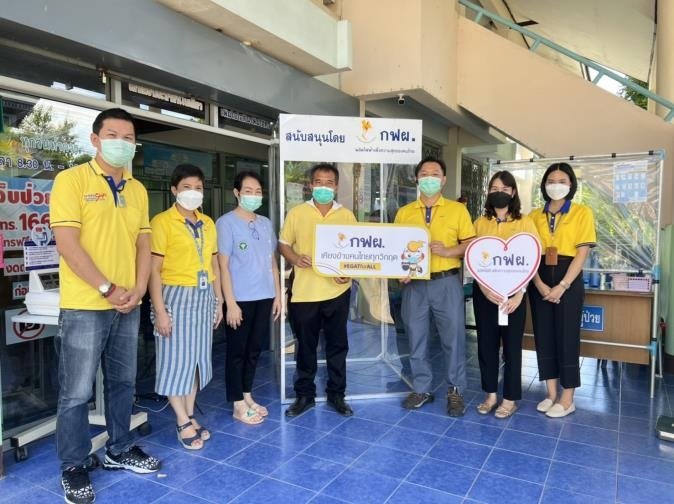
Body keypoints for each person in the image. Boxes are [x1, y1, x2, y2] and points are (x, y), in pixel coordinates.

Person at [50, 108, 160, 504]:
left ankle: (119, 447)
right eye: (113, 135)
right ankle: (74, 464)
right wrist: (107, 288)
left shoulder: (137, 189)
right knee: (76, 392)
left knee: (123, 382)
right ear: (95, 139)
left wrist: (138, 289)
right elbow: (67, 244)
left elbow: (143, 244)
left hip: (127, 303)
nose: (121, 143)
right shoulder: (71, 180)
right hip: (85, 304)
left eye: (129, 138)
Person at [148, 164, 223, 450]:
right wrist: (160, 311)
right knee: (174, 361)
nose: (193, 193)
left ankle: (190, 414)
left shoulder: (208, 223)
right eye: (187, 187)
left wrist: (219, 301)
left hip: (203, 298)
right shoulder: (162, 222)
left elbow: (214, 264)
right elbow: (154, 270)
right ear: (174, 190)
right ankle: (181, 421)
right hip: (174, 298)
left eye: (198, 188)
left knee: (195, 362)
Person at [394, 156, 476, 417]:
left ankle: (455, 390)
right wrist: (400, 272)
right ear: (416, 179)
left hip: (446, 282)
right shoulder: (405, 212)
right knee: (416, 338)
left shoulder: (458, 210)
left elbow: (470, 244)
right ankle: (422, 389)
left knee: (453, 339)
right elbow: (396, 249)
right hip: (415, 286)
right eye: (424, 174)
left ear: (444, 180)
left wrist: (448, 250)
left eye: (435, 174)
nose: (429, 178)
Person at [279, 163, 357, 417]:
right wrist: (294, 258)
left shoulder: (346, 216)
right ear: (310, 185)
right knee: (305, 346)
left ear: (336, 186)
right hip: (304, 292)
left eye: (329, 182)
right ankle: (305, 395)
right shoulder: (297, 213)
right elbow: (283, 244)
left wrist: (348, 271)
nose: (324, 187)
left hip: (337, 292)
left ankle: (337, 394)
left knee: (337, 346)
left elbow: (356, 252)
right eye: (319, 182)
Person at [529, 162, 596, 418]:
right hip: (539, 276)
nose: (556, 185)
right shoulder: (533, 215)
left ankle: (567, 398)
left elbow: (582, 253)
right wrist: (539, 283)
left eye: (562, 181)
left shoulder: (582, 212)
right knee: (543, 335)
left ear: (571, 185)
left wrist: (563, 285)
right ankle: (551, 393)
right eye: (551, 181)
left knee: (567, 338)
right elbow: (528, 253)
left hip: (569, 277)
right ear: (544, 185)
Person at [472, 171, 539, 419]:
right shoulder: (480, 223)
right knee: (486, 345)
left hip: (514, 295)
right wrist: (484, 289)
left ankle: (510, 399)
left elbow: (532, 260)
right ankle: (490, 395)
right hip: (485, 294)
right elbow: (473, 260)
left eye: (504, 188)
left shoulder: (525, 223)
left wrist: (520, 295)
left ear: (513, 192)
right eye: (494, 188)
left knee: (512, 347)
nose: (498, 192)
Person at [217, 171, 281, 425]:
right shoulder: (226, 223)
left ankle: (247, 395)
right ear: (236, 193)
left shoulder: (265, 223)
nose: (253, 196)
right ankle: (237, 403)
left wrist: (278, 295)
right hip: (240, 299)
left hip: (264, 296)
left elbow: (272, 262)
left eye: (258, 192)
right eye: (248, 191)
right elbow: (222, 266)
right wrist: (230, 303)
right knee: (237, 352)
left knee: (254, 350)